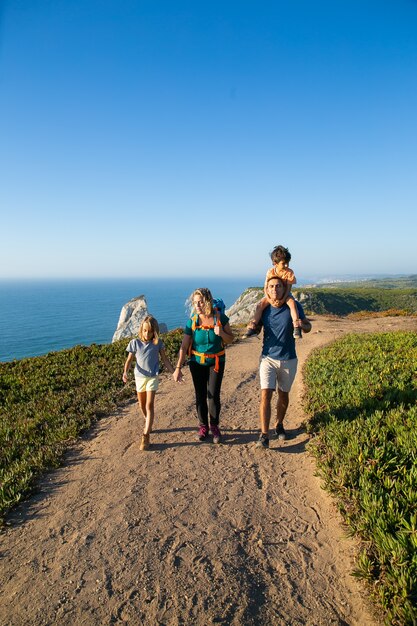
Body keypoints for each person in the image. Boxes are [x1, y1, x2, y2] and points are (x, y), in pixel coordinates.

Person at [256, 276, 312, 449]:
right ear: (267, 288)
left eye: (278, 286)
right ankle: (264, 435)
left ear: (284, 288)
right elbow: (256, 326)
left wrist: (301, 324)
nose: (274, 289)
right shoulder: (264, 307)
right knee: (266, 393)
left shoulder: (293, 305)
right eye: (271, 286)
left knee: (283, 394)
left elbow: (308, 327)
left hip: (288, 358)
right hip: (268, 358)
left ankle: (279, 425)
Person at [173, 288, 234, 443]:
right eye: (195, 302)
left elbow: (230, 339)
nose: (197, 305)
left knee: (213, 395)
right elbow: (184, 345)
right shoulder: (192, 321)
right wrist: (178, 368)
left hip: (216, 362)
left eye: (200, 301)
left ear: (207, 301)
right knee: (200, 395)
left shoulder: (221, 318)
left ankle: (214, 426)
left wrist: (221, 333)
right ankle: (203, 426)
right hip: (196, 362)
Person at [123, 315, 178, 451]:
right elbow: (129, 360)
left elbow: (165, 359)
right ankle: (149, 421)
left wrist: (174, 372)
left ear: (155, 332)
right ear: (141, 329)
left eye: (150, 331)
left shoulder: (157, 343)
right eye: (145, 330)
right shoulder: (134, 343)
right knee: (141, 405)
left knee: (149, 405)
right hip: (139, 378)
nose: (147, 333)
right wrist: (125, 372)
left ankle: (146, 435)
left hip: (153, 377)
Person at [244, 245, 302, 339]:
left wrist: (283, 300)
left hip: (285, 294)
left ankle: (296, 326)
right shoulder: (270, 272)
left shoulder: (289, 272)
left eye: (287, 263)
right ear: (275, 263)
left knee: (292, 303)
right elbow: (266, 288)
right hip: (271, 295)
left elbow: (288, 289)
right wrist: (270, 300)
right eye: (284, 263)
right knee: (260, 305)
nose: (286, 265)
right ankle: (253, 326)